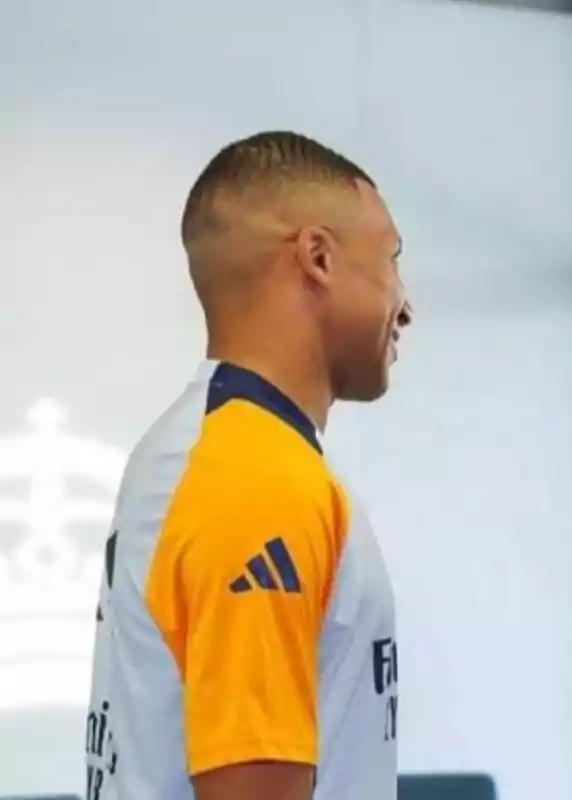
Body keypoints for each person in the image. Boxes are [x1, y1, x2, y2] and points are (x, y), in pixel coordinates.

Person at [85, 131, 412, 800]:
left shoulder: (204, 450)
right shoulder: (255, 480)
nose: (405, 304)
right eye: (391, 262)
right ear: (317, 257)